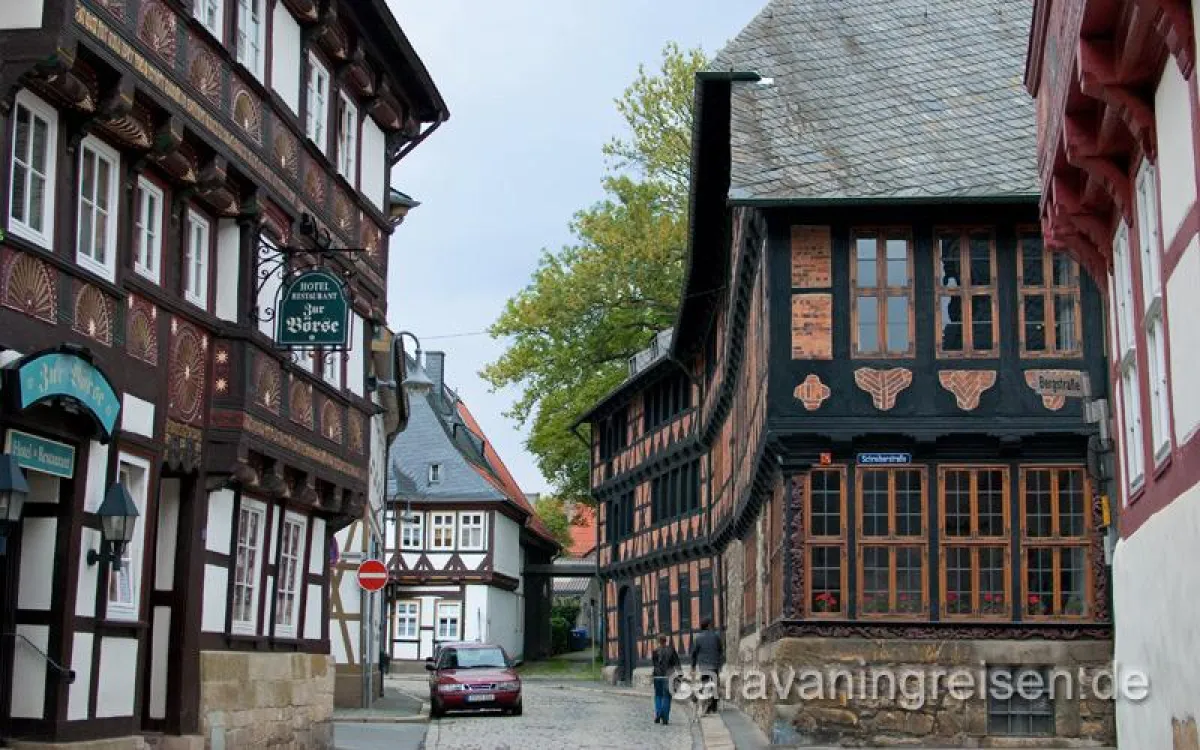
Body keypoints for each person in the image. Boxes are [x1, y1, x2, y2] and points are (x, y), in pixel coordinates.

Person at [689, 618, 724, 714]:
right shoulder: (716, 636)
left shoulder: (698, 638)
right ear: (708, 626)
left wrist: (693, 666)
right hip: (714, 665)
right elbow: (721, 650)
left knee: (704, 685)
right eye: (710, 624)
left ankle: (704, 704)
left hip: (704, 666)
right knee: (715, 685)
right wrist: (720, 664)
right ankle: (713, 706)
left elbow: (694, 654)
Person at [651, 634, 680, 725]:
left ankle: (658, 713)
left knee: (658, 695)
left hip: (658, 676)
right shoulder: (671, 650)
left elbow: (655, 665)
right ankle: (665, 718)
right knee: (667, 696)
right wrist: (680, 675)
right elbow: (677, 663)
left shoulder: (655, 651)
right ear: (666, 640)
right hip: (669, 676)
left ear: (658, 641)